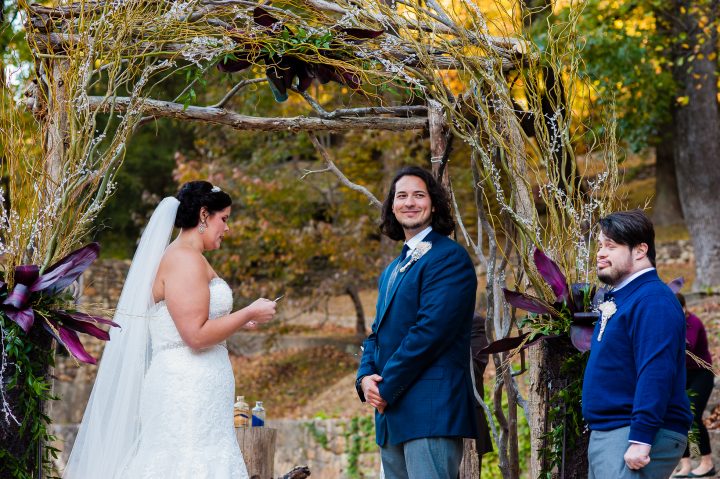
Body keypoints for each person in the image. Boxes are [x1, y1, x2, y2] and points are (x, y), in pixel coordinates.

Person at [64, 181, 278, 478]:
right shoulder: (184, 260)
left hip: (201, 386)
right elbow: (195, 336)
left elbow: (196, 322)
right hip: (186, 388)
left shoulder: (191, 258)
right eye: (224, 219)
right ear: (204, 215)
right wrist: (248, 312)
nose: (227, 228)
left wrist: (241, 320)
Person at [355, 166, 478, 479]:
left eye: (419, 195)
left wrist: (387, 387)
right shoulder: (393, 269)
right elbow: (376, 334)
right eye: (402, 196)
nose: (410, 202)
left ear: (433, 204)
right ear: (393, 207)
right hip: (392, 416)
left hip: (430, 410)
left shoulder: (449, 258)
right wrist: (365, 378)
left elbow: (430, 332)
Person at [582, 209, 693, 479]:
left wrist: (641, 439)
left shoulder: (653, 300)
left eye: (611, 245)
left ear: (640, 250)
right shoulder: (626, 298)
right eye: (599, 245)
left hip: (633, 434)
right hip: (613, 432)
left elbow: (656, 371)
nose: (600, 253)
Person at [673, 293, 715, 478]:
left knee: (693, 415)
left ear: (684, 307)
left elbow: (687, 346)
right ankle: (686, 464)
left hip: (701, 374)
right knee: (679, 416)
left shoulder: (694, 322)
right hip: (681, 375)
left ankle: (707, 462)